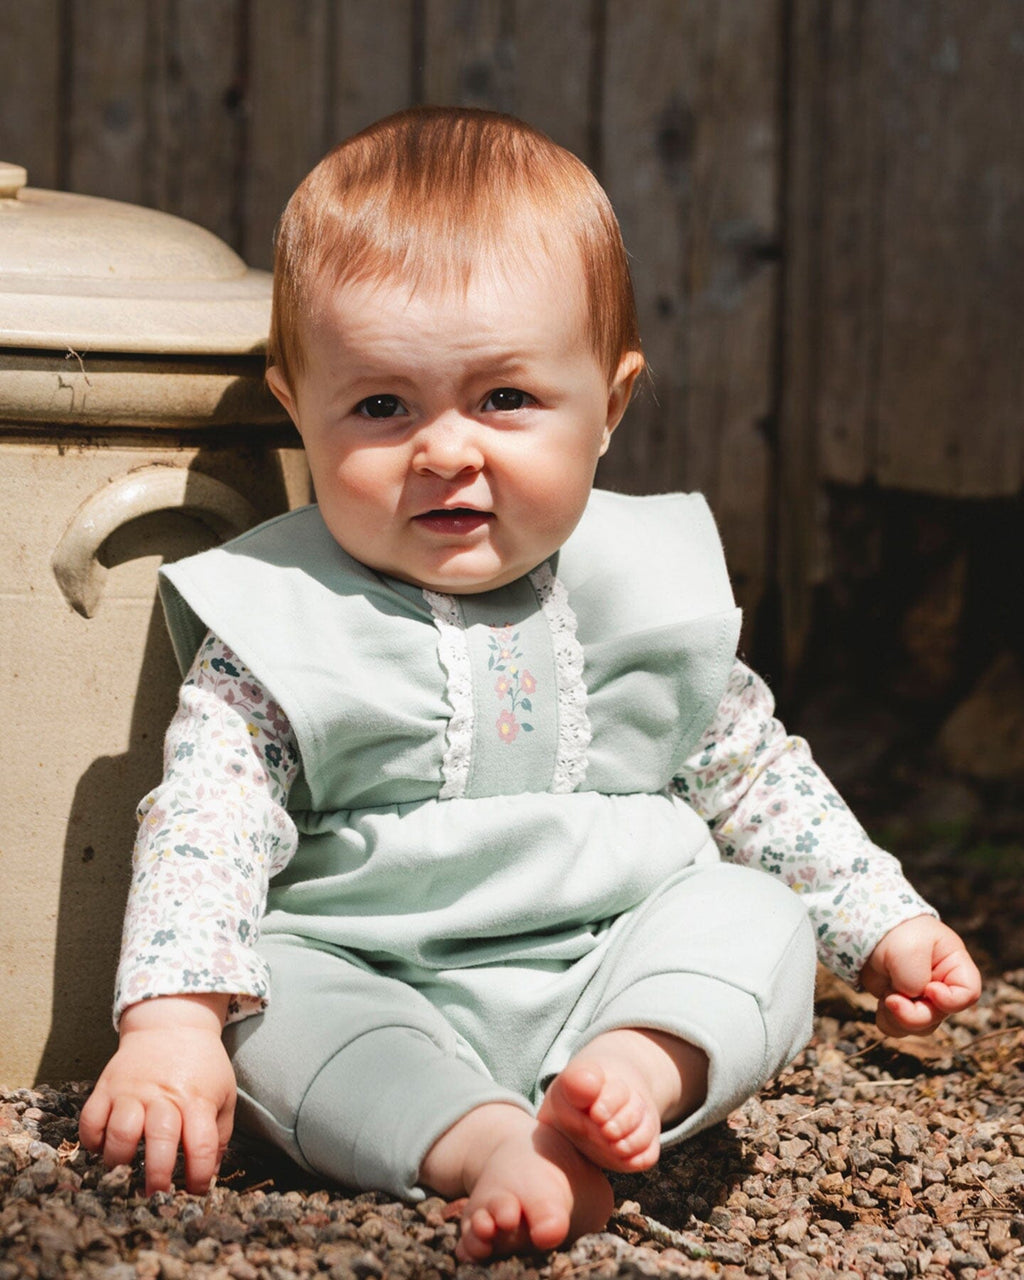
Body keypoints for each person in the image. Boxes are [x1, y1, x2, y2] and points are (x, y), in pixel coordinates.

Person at [79, 106, 981, 1261]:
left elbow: (759, 777)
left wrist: (883, 920)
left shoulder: (643, 588)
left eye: (504, 399)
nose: (446, 449)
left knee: (755, 916)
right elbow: (206, 825)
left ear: (610, 404)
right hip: (376, 972)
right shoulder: (280, 619)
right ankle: (485, 1141)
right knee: (277, 1000)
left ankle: (629, 1073)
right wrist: (172, 1023)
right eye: (380, 405)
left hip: (612, 957)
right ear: (296, 407)